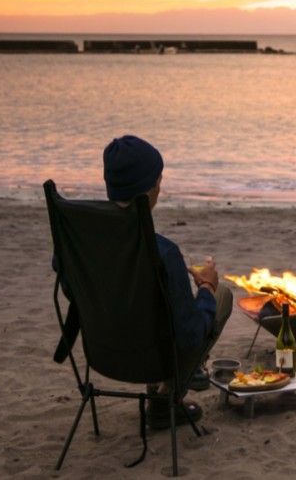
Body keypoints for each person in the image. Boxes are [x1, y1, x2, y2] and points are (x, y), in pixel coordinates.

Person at [102, 135, 233, 428]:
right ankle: (165, 400)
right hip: (151, 359)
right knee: (222, 295)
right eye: (158, 180)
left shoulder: (84, 242)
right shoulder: (163, 253)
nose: (161, 187)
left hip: (103, 351)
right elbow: (189, 334)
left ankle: (159, 392)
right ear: (149, 190)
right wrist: (207, 290)